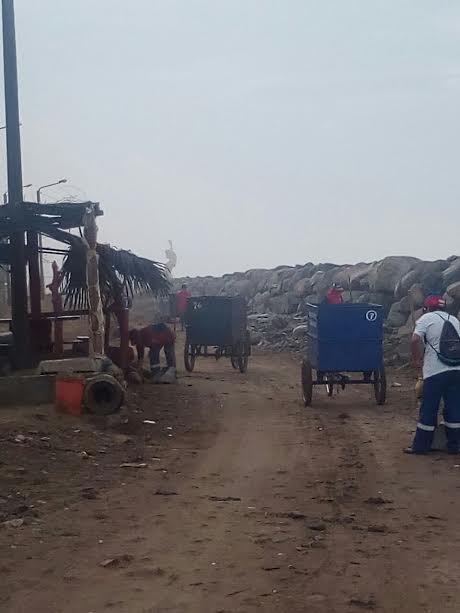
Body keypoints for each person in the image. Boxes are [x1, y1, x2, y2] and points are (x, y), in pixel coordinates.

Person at [407, 295, 460, 454]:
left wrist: (417, 360)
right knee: (454, 408)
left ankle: (421, 447)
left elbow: (415, 340)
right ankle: (455, 446)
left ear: (427, 308)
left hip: (435, 371)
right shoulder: (454, 319)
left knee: (429, 408)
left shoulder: (426, 318)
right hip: (456, 370)